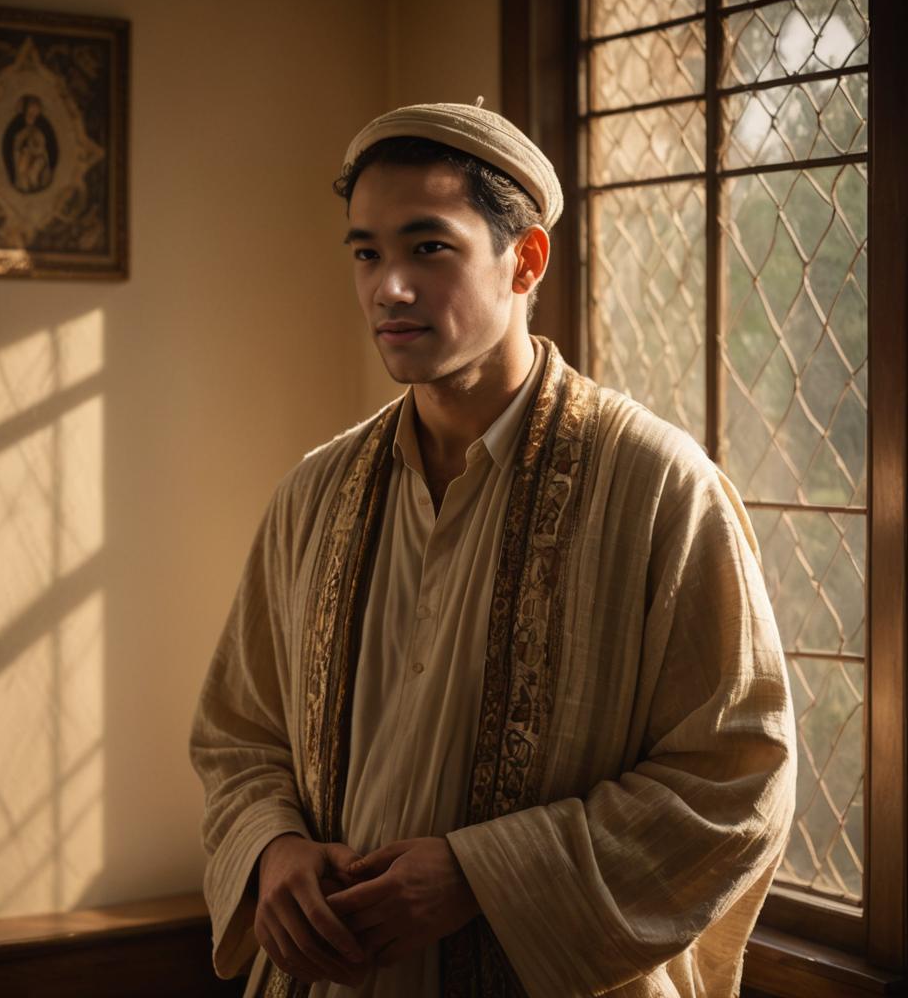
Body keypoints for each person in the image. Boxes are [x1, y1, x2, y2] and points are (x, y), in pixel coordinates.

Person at [190, 100, 796, 998]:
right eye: (366, 252)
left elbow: (738, 777)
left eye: (428, 247)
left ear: (527, 259)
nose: (387, 288)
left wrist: (482, 874)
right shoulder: (313, 494)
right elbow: (240, 736)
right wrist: (273, 847)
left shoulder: (657, 487)